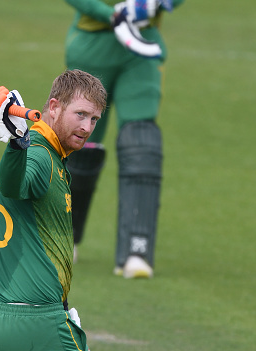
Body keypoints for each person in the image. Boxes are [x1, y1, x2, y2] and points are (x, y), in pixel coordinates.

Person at [0, 69, 107, 351]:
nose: (87, 127)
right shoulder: (40, 153)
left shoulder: (48, 154)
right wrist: (16, 143)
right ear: (54, 106)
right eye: (81, 114)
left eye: (95, 119)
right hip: (35, 324)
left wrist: (19, 143)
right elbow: (16, 184)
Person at [64, 0, 185, 278]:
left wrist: (155, 4)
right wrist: (112, 14)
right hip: (91, 44)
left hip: (141, 46)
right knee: (79, 139)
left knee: (141, 140)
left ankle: (137, 249)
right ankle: (63, 237)